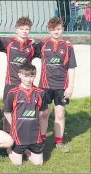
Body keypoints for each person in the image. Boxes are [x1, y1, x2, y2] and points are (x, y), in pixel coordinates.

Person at [36, 16, 77, 153]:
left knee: (60, 114)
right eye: (53, 29)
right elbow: (26, 52)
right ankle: (41, 140)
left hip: (61, 86)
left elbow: (71, 68)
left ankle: (59, 142)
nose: (56, 32)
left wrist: (70, 86)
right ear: (49, 30)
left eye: (58, 29)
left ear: (62, 29)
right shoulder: (42, 44)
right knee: (44, 113)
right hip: (45, 85)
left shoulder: (68, 46)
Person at [4, 64, 47, 166]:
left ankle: (26, 151)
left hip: (34, 135)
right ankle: (10, 149)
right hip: (19, 134)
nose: (29, 79)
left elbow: (41, 112)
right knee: (17, 164)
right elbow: (6, 111)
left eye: (31, 76)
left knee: (39, 163)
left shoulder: (40, 92)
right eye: (26, 76)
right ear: (19, 75)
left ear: (34, 76)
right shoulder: (13, 92)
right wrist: (13, 124)